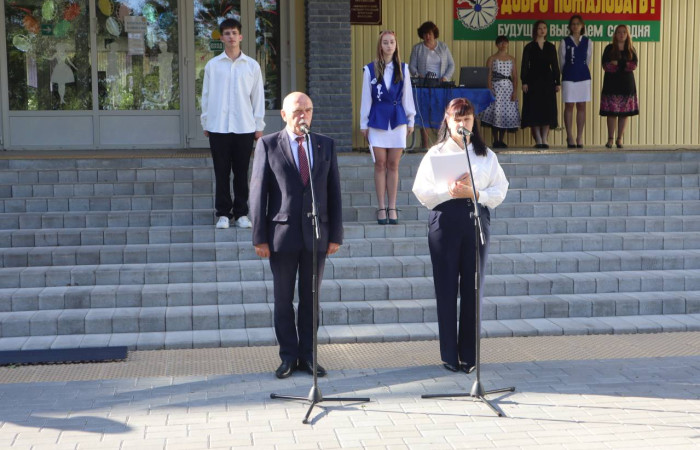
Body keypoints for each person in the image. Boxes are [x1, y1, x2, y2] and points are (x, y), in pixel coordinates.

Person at [249, 92, 343, 379]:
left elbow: (334, 192)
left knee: (311, 299)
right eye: (297, 111)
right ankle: (288, 356)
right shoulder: (268, 144)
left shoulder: (325, 144)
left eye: (308, 110)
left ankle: (309, 356)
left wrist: (336, 234)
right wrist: (259, 237)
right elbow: (257, 193)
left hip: (316, 234)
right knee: (283, 300)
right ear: (284, 114)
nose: (303, 115)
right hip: (282, 235)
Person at [412, 98, 508, 373]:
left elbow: (500, 189)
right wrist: (450, 191)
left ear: (473, 121)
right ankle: (449, 355)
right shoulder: (436, 153)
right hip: (445, 221)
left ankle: (469, 355)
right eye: (457, 119)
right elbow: (421, 191)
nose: (462, 124)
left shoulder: (485, 155)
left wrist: (475, 193)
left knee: (473, 287)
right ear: (447, 120)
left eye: (467, 119)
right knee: (445, 287)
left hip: (475, 219)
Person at [201, 18, 265, 229]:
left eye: (234, 33)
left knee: (241, 172)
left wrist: (258, 126)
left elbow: (258, 97)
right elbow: (206, 95)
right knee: (221, 172)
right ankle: (223, 214)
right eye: (227, 33)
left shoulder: (252, 66)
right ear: (221, 38)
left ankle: (241, 214)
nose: (231, 37)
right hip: (218, 126)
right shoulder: (213, 66)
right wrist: (206, 122)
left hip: (244, 127)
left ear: (241, 36)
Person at [360, 30, 416, 225]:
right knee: (380, 163)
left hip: (397, 120)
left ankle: (392, 206)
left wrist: (411, 119)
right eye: (385, 42)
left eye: (392, 42)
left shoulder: (403, 68)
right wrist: (363, 123)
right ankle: (381, 206)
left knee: (393, 164)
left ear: (396, 45)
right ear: (380, 45)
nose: (389, 45)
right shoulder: (370, 69)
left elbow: (407, 96)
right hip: (377, 119)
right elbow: (366, 98)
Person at [409, 21, 455, 149]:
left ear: (434, 34)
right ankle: (425, 144)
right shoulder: (417, 48)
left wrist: (445, 78)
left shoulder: (443, 47)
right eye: (424, 34)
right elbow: (412, 66)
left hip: (440, 87)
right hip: (424, 86)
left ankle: (442, 143)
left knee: (441, 113)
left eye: (429, 33)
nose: (427, 36)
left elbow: (451, 65)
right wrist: (418, 75)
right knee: (424, 113)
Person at [521, 20, 560, 149]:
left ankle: (545, 138)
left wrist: (557, 81)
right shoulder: (529, 47)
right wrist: (524, 81)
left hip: (548, 81)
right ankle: (538, 138)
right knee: (535, 109)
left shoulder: (551, 47)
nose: (542, 30)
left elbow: (555, 65)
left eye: (544, 28)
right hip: (533, 81)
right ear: (535, 31)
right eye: (539, 28)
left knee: (547, 109)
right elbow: (525, 65)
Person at [600, 24, 639, 149]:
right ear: (615, 34)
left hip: (626, 85)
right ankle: (610, 139)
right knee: (611, 113)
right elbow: (606, 66)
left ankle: (619, 139)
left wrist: (618, 63)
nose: (621, 34)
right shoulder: (609, 49)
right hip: (611, 84)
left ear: (627, 35)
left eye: (624, 32)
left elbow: (633, 66)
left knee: (624, 113)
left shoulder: (631, 49)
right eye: (619, 32)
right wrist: (624, 65)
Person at [480, 35, 520, 148]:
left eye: (505, 42)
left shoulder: (512, 59)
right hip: (496, 88)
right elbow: (488, 75)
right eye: (501, 43)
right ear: (496, 45)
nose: (503, 45)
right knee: (496, 113)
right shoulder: (492, 58)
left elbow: (515, 76)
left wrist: (515, 91)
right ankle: (495, 139)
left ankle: (501, 140)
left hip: (508, 89)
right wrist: (490, 89)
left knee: (505, 113)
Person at [559, 15, 592, 148]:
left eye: (578, 24)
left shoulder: (588, 41)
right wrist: (568, 71)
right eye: (573, 24)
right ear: (570, 26)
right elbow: (562, 61)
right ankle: (570, 136)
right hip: (568, 76)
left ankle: (579, 136)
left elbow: (588, 59)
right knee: (569, 106)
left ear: (582, 26)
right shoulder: (565, 41)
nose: (575, 26)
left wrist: (579, 69)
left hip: (583, 76)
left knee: (581, 106)